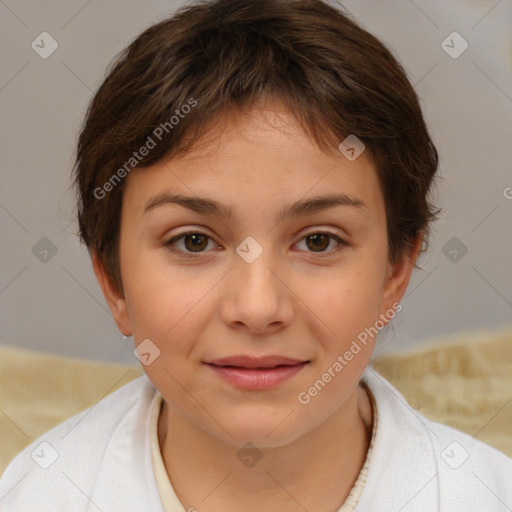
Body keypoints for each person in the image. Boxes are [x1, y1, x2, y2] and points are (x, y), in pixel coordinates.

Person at [1, 0, 510, 510]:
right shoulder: (37, 494)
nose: (258, 308)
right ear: (113, 281)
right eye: (193, 241)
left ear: (394, 272)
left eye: (318, 241)